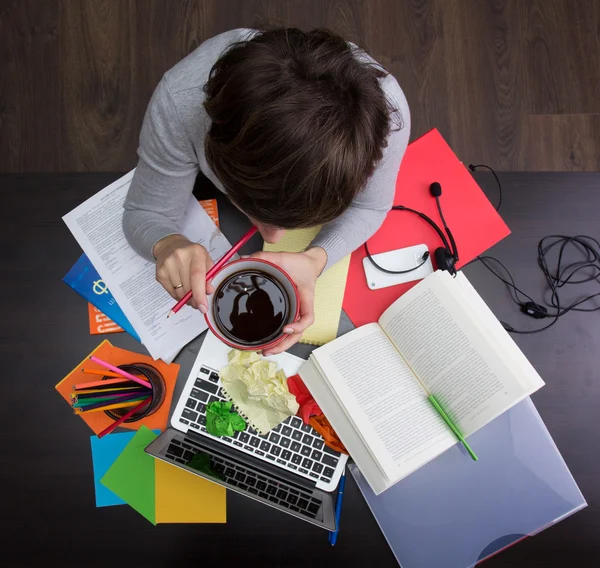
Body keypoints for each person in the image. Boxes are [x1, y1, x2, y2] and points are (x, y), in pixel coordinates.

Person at [123, 27, 410, 355]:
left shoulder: (386, 118)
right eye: (253, 210)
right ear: (215, 153)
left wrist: (317, 258)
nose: (272, 239)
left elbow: (370, 208)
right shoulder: (180, 102)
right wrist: (166, 243)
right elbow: (144, 212)